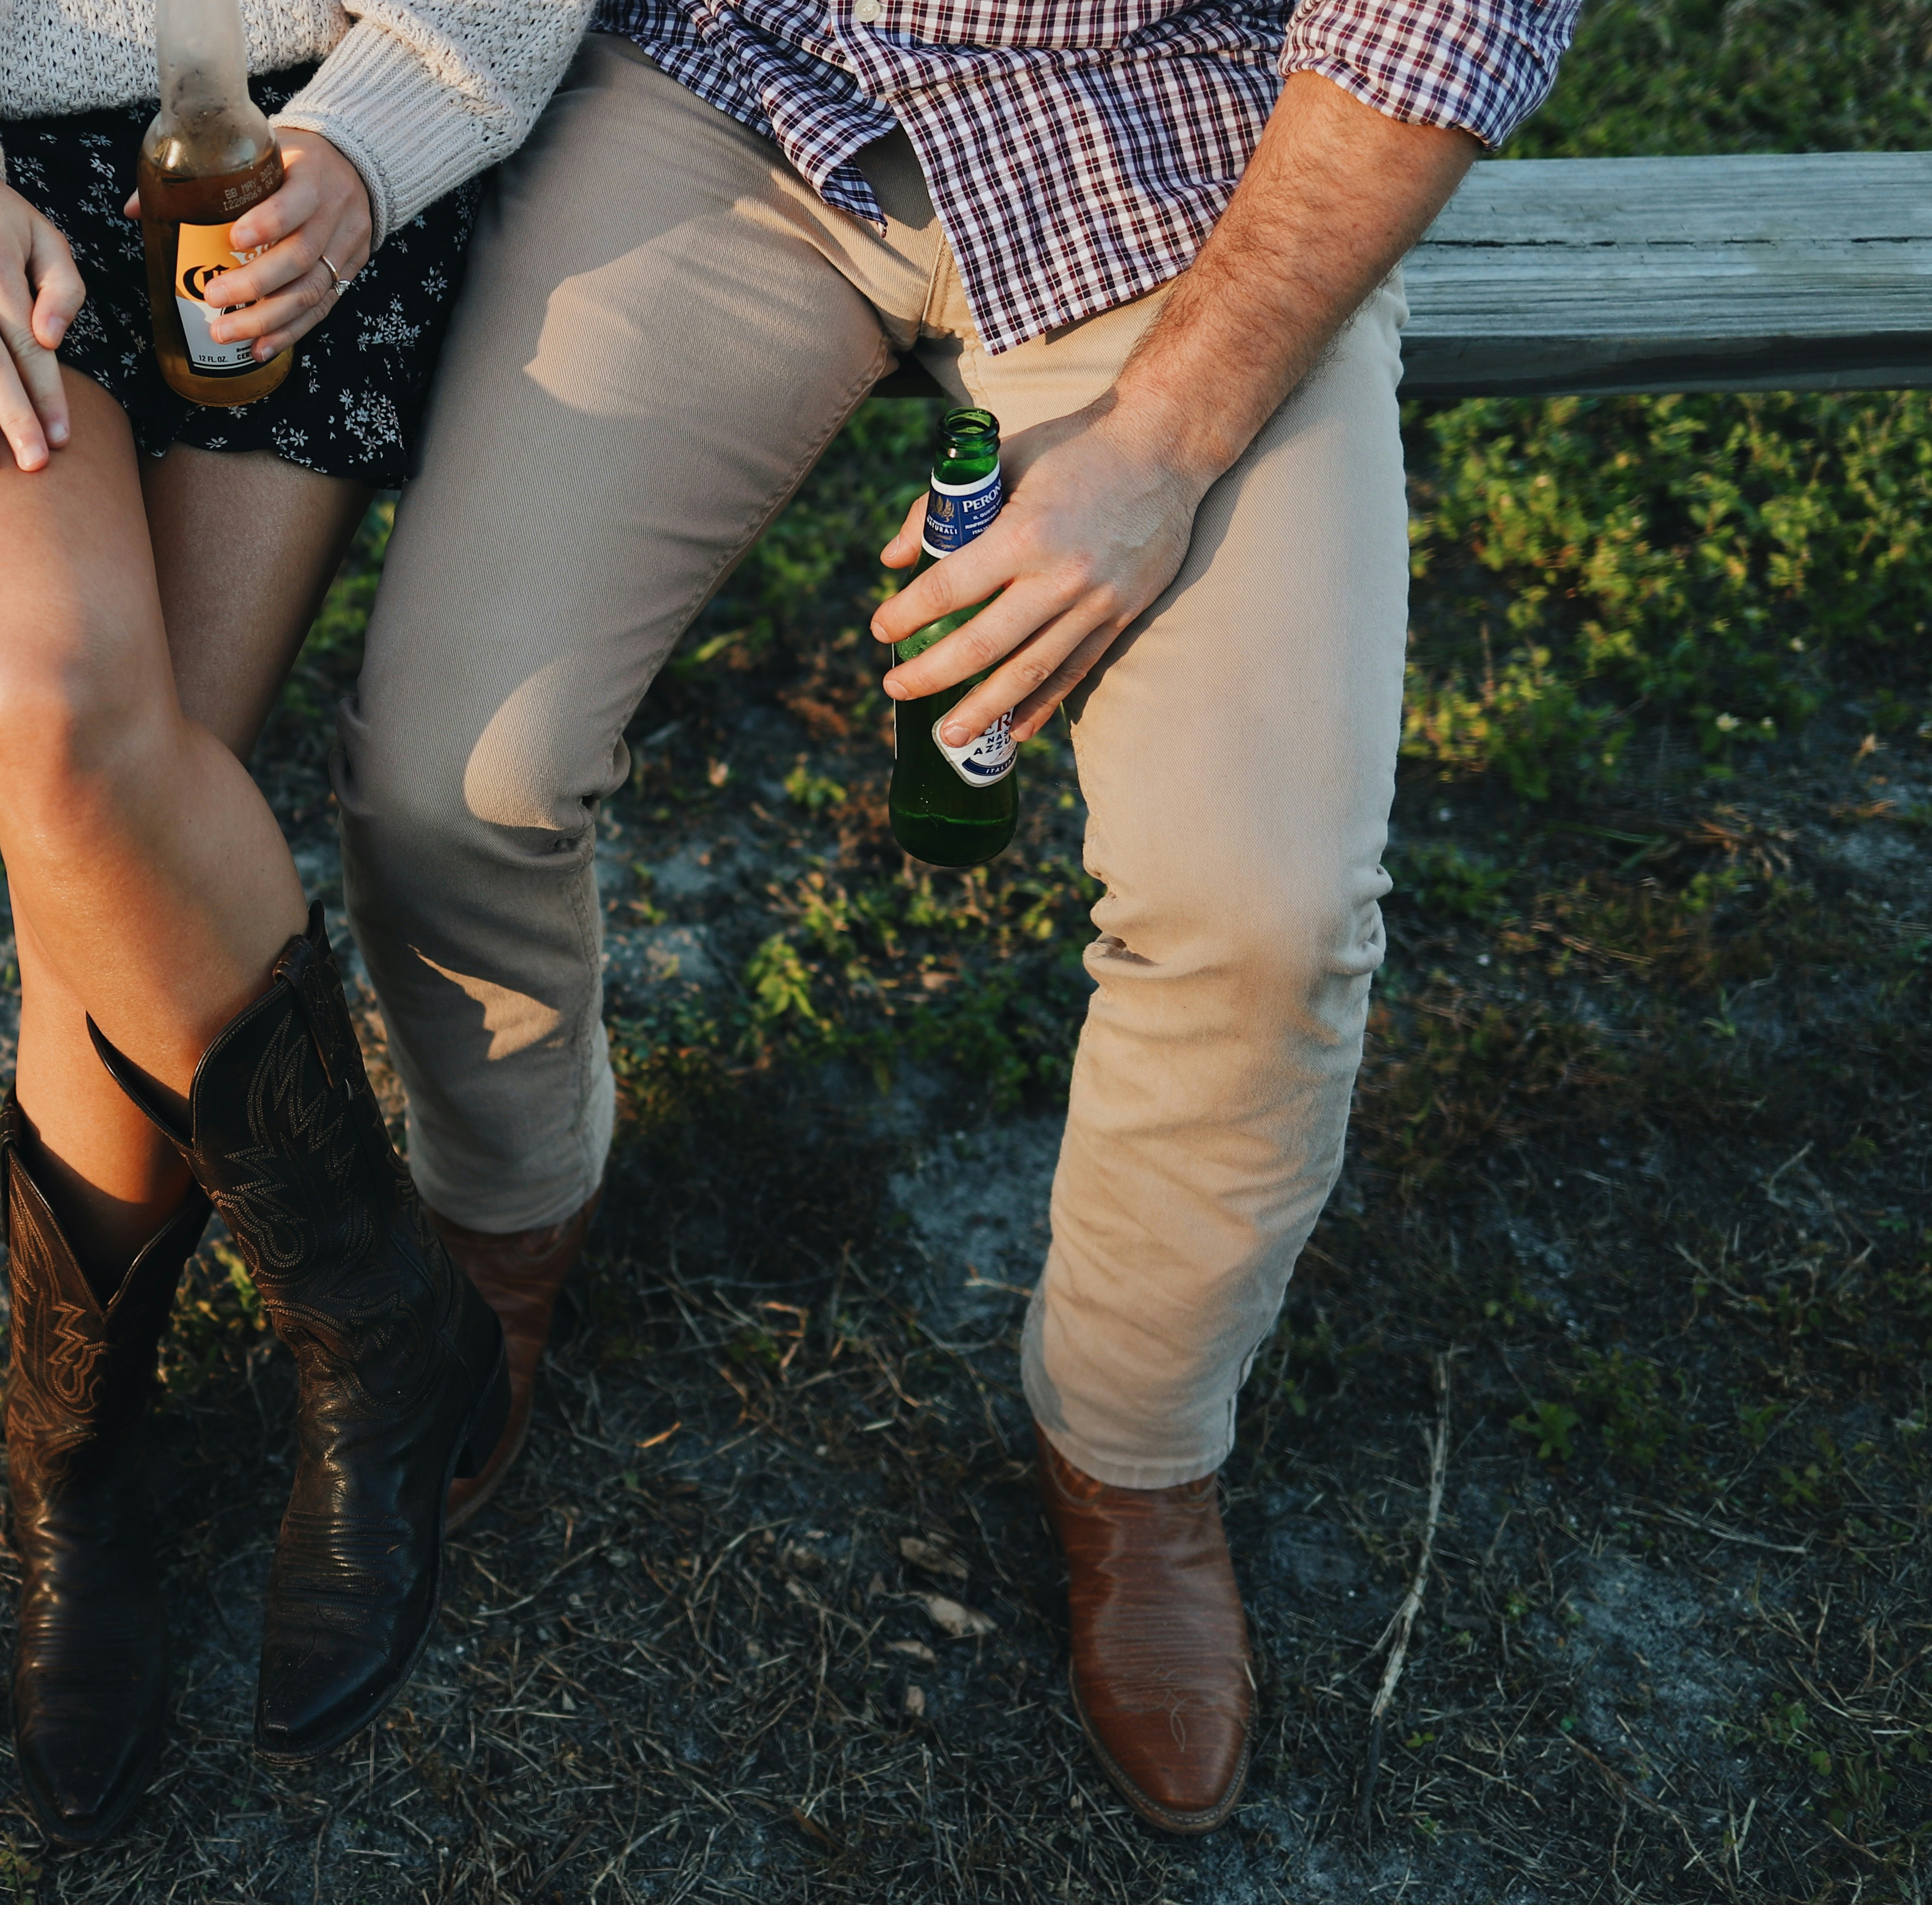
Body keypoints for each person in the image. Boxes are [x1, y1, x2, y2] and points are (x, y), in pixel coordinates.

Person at [331, 0, 1580, 1833]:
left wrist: (1160, 452)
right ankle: (505, 1218)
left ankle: (1135, 1456)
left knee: (1260, 912)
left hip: (1201, 130)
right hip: (738, 62)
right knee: (457, 773)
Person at [0, 0, 589, 1846]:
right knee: (66, 725)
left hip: (296, 159)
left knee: (119, 844)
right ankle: (382, 1323)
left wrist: (382, 141)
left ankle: (72, 1454)